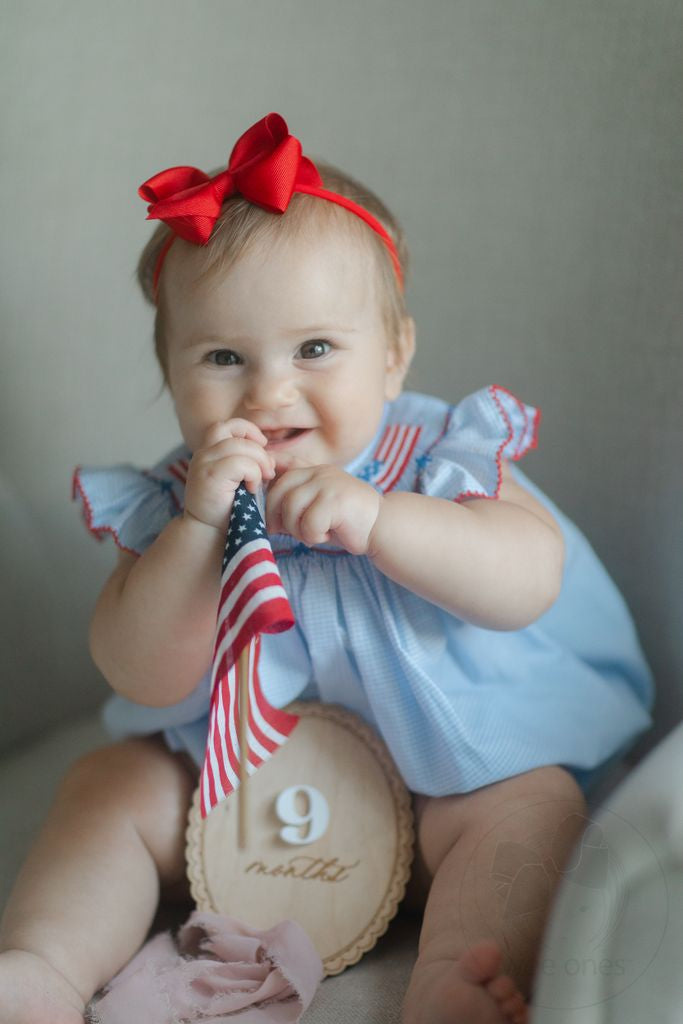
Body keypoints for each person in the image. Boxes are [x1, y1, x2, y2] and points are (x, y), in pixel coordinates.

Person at [0, 112, 653, 1024]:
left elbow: (527, 578)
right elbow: (136, 668)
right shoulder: (178, 500)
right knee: (109, 786)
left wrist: (388, 523)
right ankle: (42, 967)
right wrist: (197, 534)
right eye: (224, 357)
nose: (270, 394)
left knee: (533, 814)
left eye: (314, 349)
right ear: (171, 377)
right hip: (239, 816)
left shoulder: (438, 460)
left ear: (392, 357)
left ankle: (450, 981)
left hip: (446, 800)